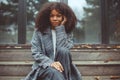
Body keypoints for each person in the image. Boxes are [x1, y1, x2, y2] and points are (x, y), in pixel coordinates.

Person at [24, 2, 82, 80]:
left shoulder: (67, 32)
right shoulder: (39, 32)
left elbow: (64, 50)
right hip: (44, 66)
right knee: (54, 72)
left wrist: (61, 28)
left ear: (64, 17)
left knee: (64, 51)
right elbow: (36, 52)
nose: (55, 18)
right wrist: (51, 63)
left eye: (58, 16)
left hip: (63, 67)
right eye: (52, 16)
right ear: (47, 17)